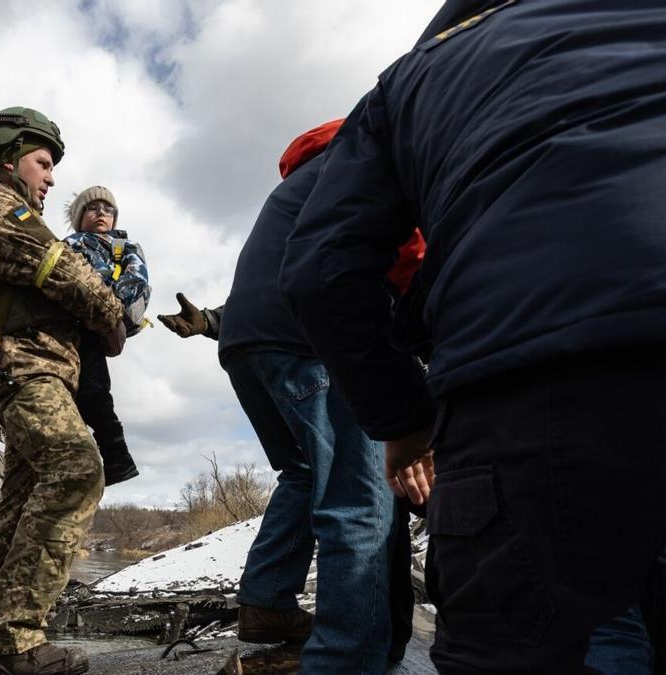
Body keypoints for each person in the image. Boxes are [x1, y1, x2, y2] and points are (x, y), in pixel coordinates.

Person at [279, 1, 666, 670]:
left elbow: (322, 268)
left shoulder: (410, 79)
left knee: (530, 628)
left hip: (528, 380)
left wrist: (405, 418)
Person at [158, 120, 421, 671]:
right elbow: (412, 259)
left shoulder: (296, 185)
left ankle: (267, 602)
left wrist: (208, 321)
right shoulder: (372, 159)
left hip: (247, 346)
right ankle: (347, 656)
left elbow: (277, 278)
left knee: (304, 472)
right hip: (309, 341)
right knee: (361, 498)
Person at [0, 107, 125, 675]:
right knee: (76, 469)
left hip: (31, 372)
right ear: (9, 158)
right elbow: (59, 265)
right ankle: (14, 641)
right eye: (43, 163)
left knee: (16, 509)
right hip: (22, 370)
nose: (52, 177)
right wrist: (111, 314)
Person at [62, 185, 150, 486]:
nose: (101, 214)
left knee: (95, 389)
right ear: (79, 216)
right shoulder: (67, 244)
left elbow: (137, 281)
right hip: (67, 324)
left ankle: (116, 456)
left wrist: (110, 310)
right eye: (92, 208)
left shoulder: (125, 248)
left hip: (100, 324)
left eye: (108, 209)